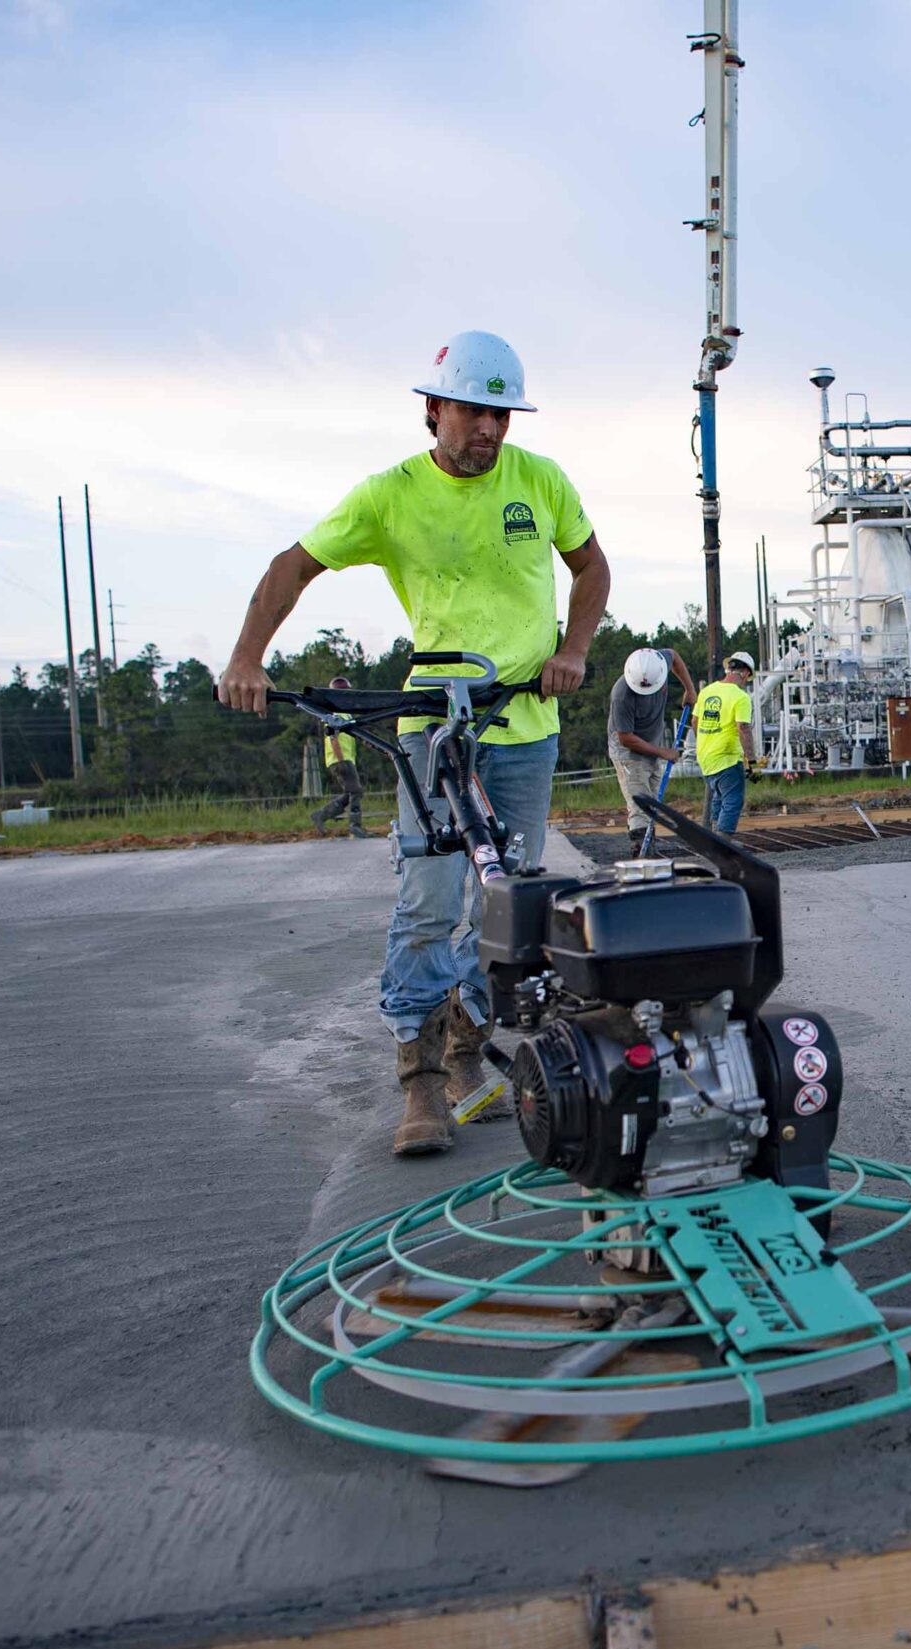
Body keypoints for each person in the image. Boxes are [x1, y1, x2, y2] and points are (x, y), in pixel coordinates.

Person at [216, 330, 612, 1158]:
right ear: (433, 409)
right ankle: (421, 1078)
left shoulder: (540, 480)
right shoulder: (388, 495)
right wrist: (249, 655)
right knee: (431, 901)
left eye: (501, 415)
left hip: (524, 723)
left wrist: (572, 650)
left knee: (506, 899)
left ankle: (469, 1052)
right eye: (472, 412)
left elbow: (591, 567)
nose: (489, 431)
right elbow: (295, 566)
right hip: (433, 723)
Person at [609, 647, 696, 845]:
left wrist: (689, 689)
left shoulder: (658, 663)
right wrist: (663, 752)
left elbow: (674, 655)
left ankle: (648, 842)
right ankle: (642, 853)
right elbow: (626, 738)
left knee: (652, 803)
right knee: (640, 804)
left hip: (652, 746)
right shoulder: (621, 695)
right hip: (628, 753)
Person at [694, 651, 758, 834]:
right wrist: (752, 763)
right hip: (727, 759)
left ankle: (716, 837)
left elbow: (695, 722)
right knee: (733, 800)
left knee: (719, 797)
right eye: (748, 676)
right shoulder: (740, 697)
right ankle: (723, 844)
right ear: (745, 672)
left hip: (706, 759)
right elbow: (743, 728)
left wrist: (705, 743)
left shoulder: (707, 691)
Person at [309, 675, 372, 835]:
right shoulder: (333, 714)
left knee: (350, 793)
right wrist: (340, 759)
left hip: (344, 758)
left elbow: (354, 733)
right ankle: (355, 827)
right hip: (340, 759)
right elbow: (333, 737)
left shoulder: (346, 715)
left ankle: (320, 815)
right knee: (356, 791)